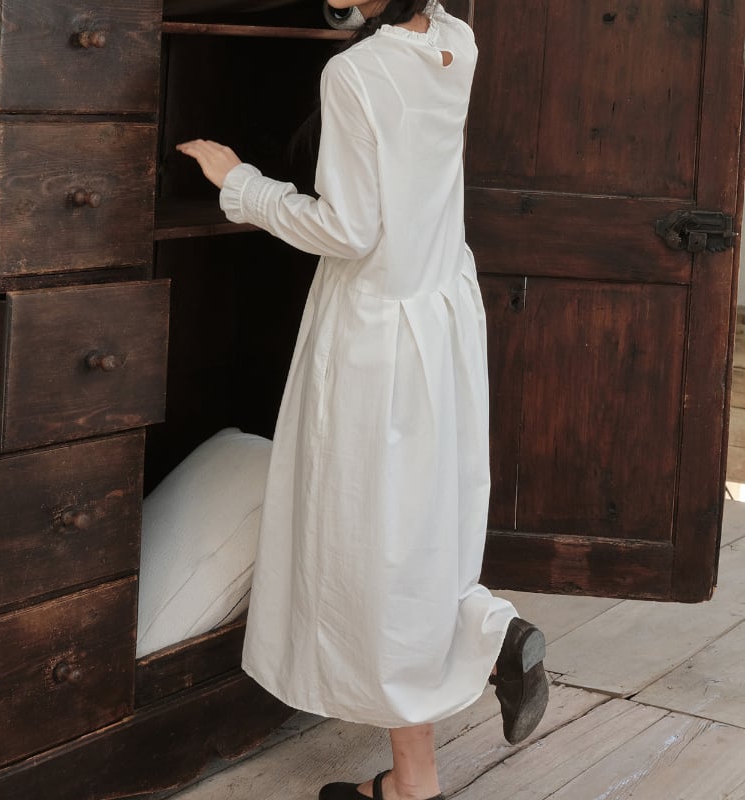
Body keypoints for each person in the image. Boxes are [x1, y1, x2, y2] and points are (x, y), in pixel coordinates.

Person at [177, 2, 549, 798]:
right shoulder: (455, 42)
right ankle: (419, 771)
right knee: (423, 528)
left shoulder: (354, 72)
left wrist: (237, 181)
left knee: (369, 544)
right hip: (440, 316)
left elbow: (347, 230)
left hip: (375, 331)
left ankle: (483, 651)